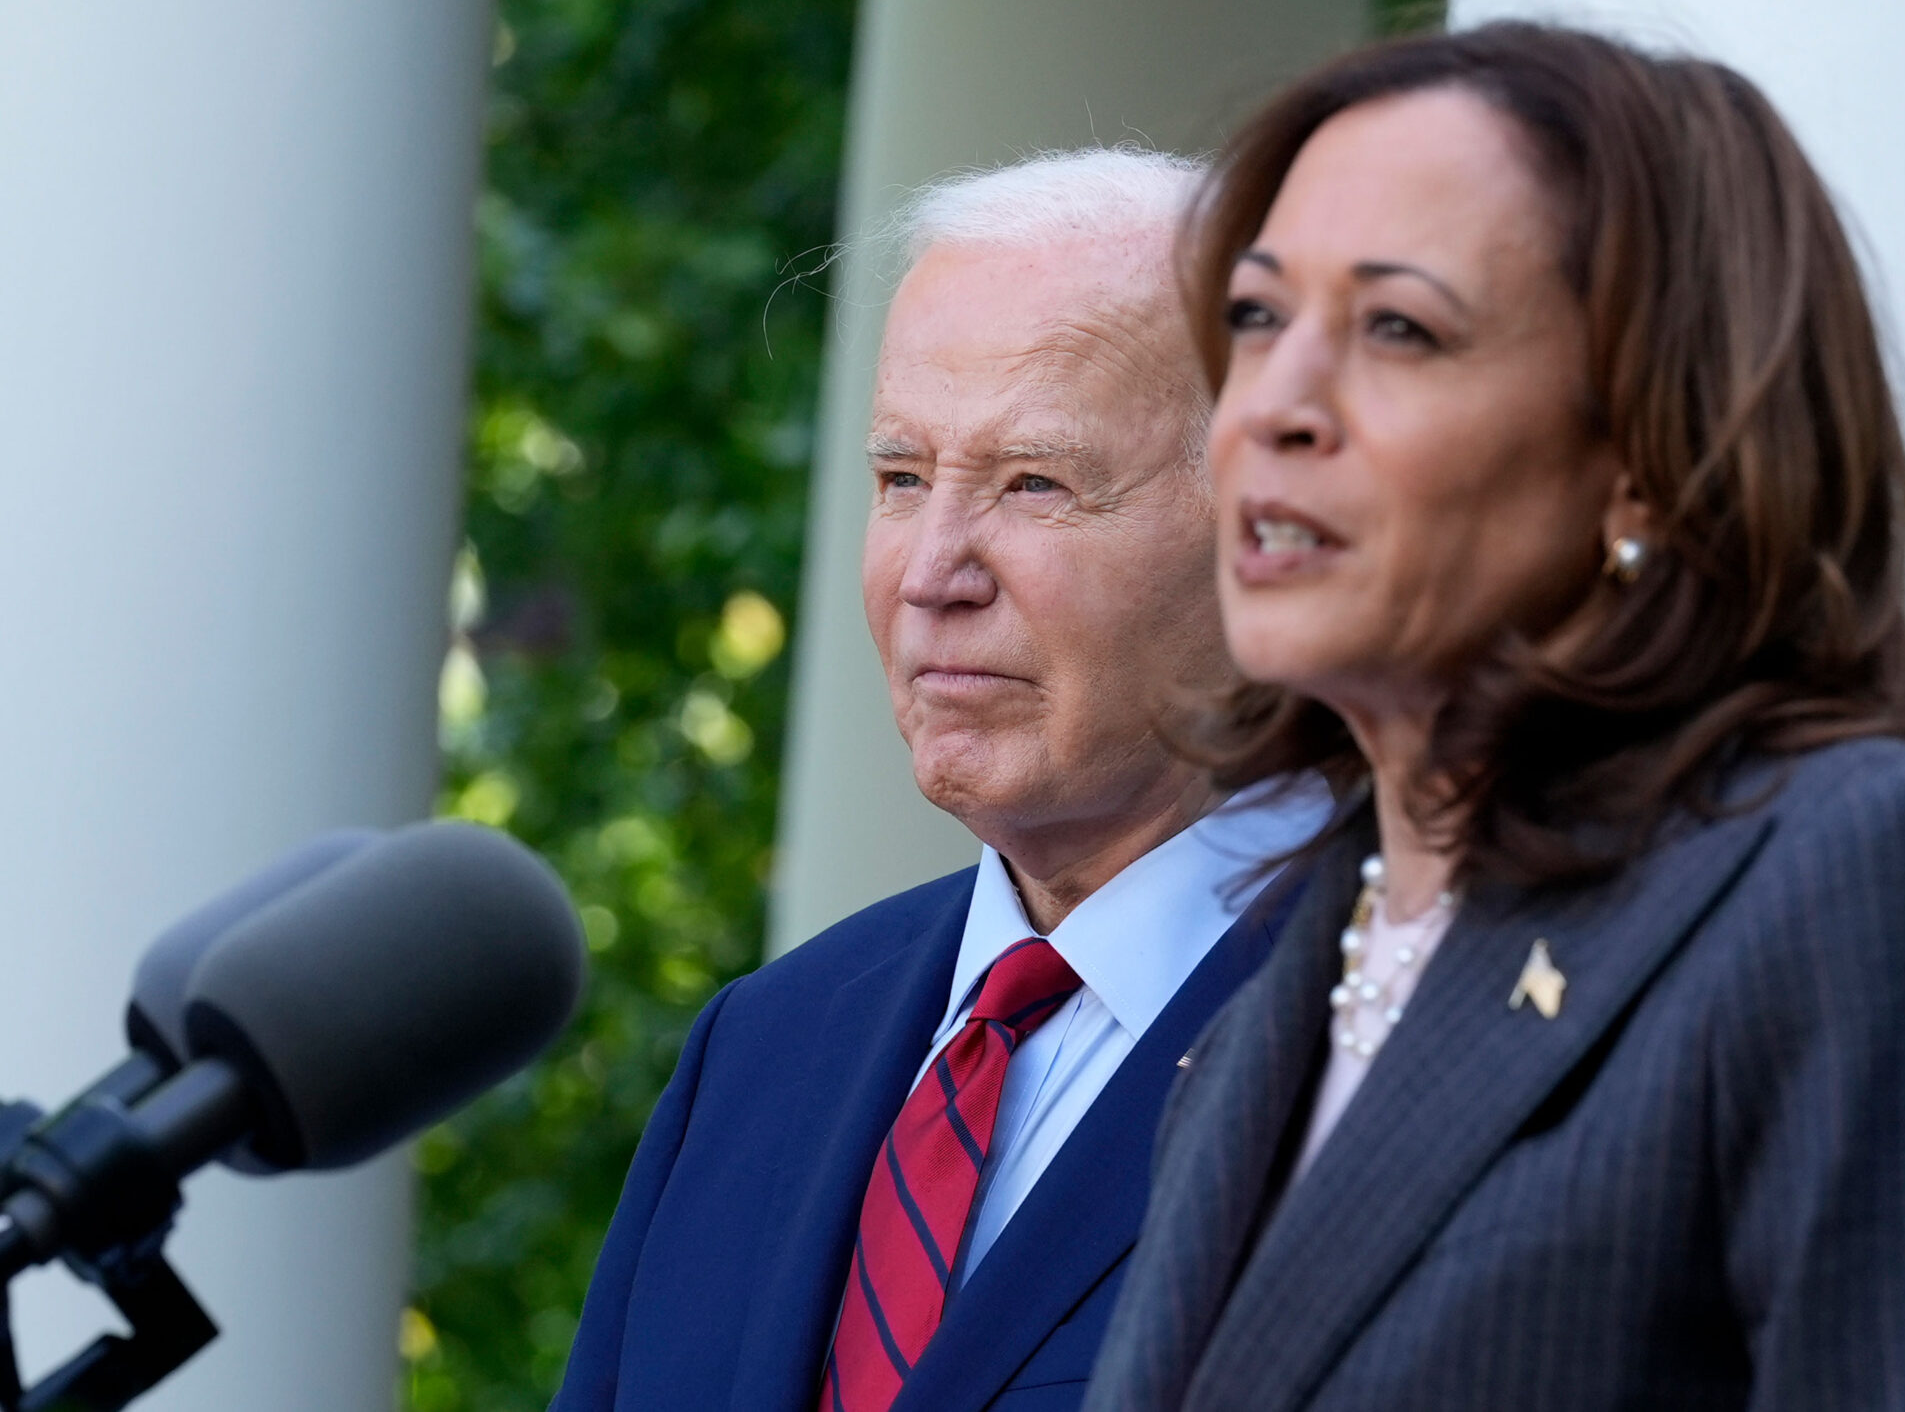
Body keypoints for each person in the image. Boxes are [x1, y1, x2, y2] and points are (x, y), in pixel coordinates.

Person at [1082, 22, 1905, 1412]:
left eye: (1399, 327)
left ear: (1644, 453)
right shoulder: (1279, 983)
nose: (1277, 404)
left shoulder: (1870, 872)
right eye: (1260, 316)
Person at [550, 149, 1328, 1412]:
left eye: (1035, 483)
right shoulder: (763, 1049)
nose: (933, 571)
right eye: (901, 479)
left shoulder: (1425, 1033)